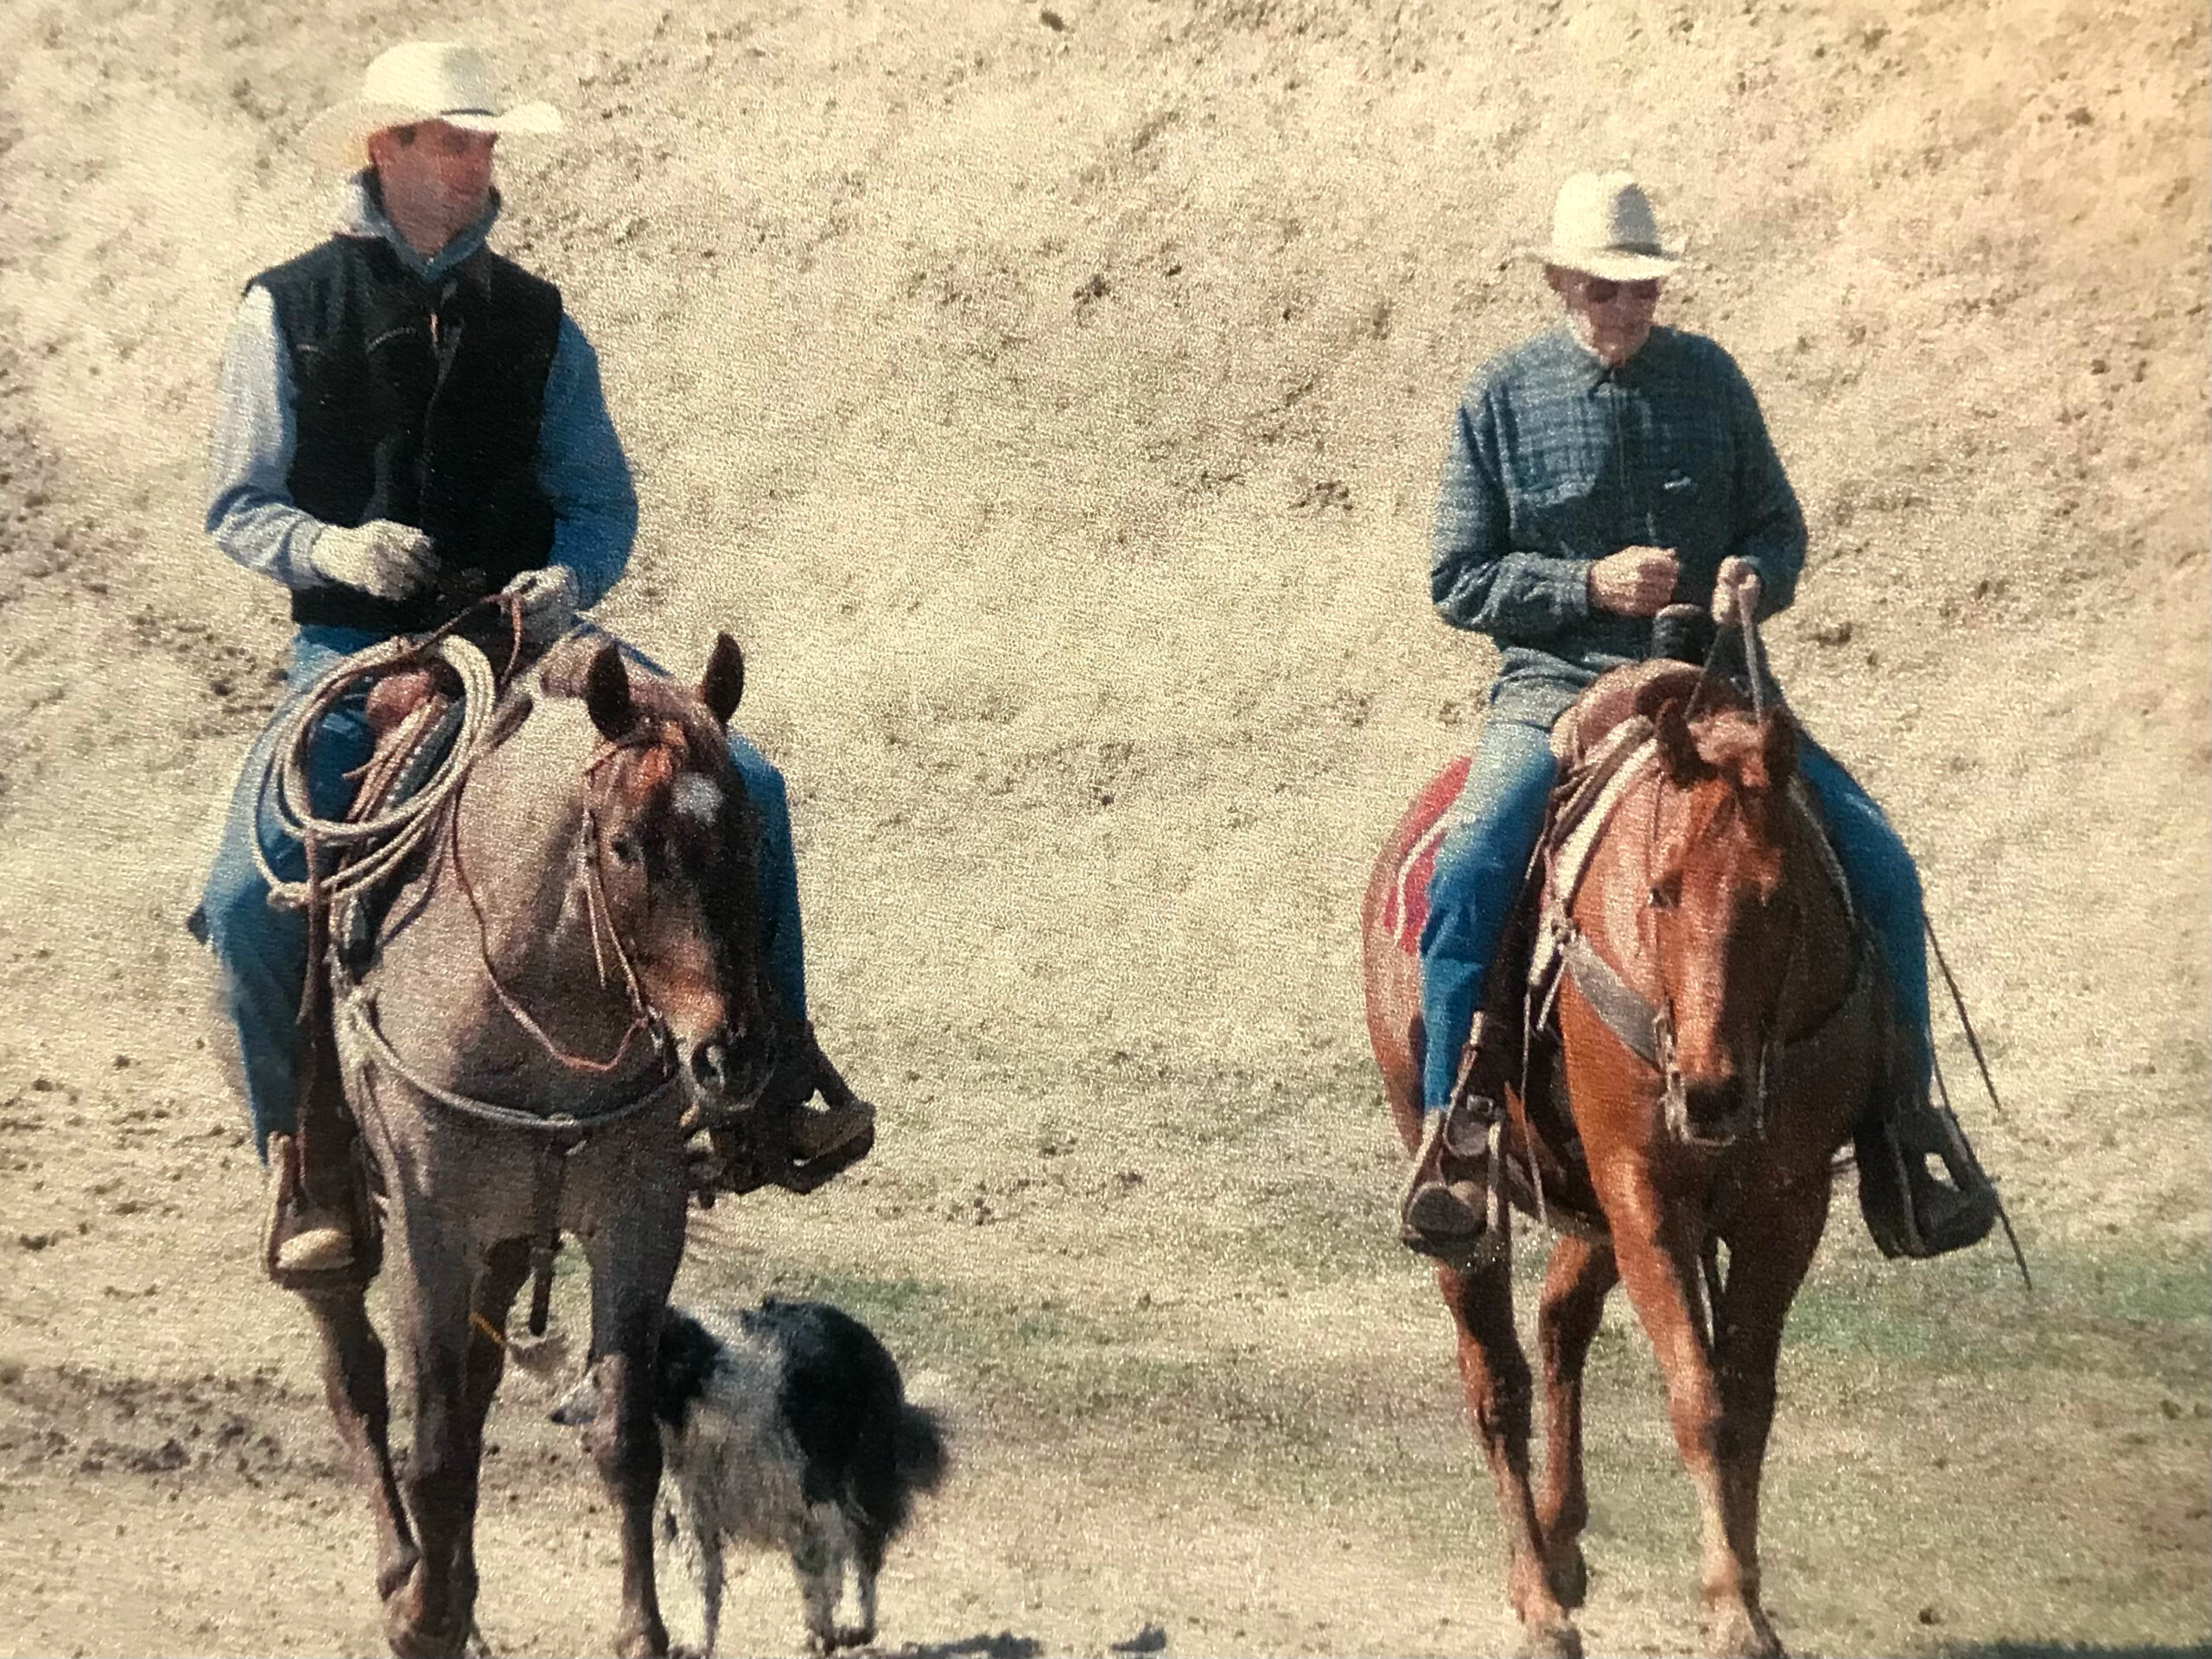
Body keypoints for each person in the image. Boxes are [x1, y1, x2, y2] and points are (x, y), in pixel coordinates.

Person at [195, 41, 873, 1275]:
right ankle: (308, 1165)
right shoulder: (284, 309)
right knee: (250, 896)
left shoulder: (538, 320)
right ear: (387, 148)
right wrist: (335, 549)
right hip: (356, 645)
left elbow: (599, 502)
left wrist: (570, 579)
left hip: (529, 642)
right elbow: (239, 505)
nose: (478, 162)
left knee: (749, 783)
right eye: (453, 140)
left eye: (486, 141)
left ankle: (773, 1083)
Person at [1402, 170, 1998, 1262]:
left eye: (1642, 289)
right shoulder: (1498, 397)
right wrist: (1585, 585)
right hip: (1555, 690)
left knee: (1881, 864)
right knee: (1474, 864)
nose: (1624, 308)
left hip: (1719, 687)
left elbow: (1778, 526)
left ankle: (1902, 1125)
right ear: (1558, 282)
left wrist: (1752, 579)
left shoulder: (1711, 380)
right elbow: (1457, 578)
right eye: (1602, 288)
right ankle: (1458, 1129)